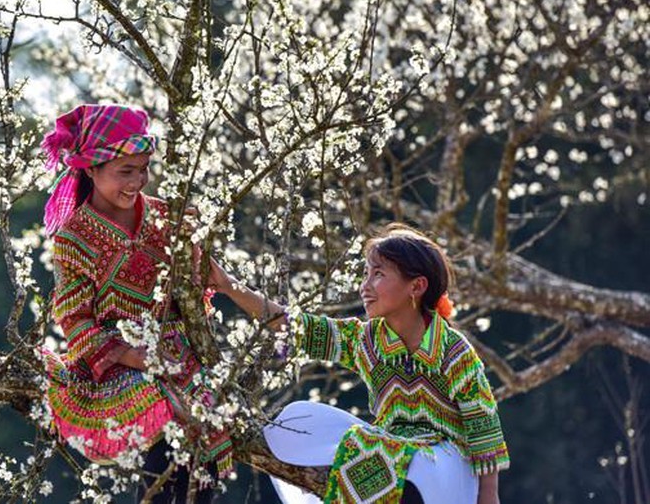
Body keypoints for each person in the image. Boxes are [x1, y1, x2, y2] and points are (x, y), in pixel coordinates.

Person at [209, 223, 509, 504]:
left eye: (378, 274)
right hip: (391, 452)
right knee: (291, 422)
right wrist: (228, 285)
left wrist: (488, 498)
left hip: (447, 470)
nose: (365, 286)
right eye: (366, 274)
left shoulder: (454, 351)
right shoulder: (366, 340)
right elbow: (296, 327)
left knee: (400, 459)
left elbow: (483, 429)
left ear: (416, 286)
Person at [39, 104, 232, 503]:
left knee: (206, 454)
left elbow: (193, 289)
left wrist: (196, 255)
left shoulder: (165, 215)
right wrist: (135, 356)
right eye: (124, 171)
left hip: (181, 352)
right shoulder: (73, 240)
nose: (136, 181)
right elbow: (75, 322)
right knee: (163, 441)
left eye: (143, 169)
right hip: (119, 363)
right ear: (91, 169)